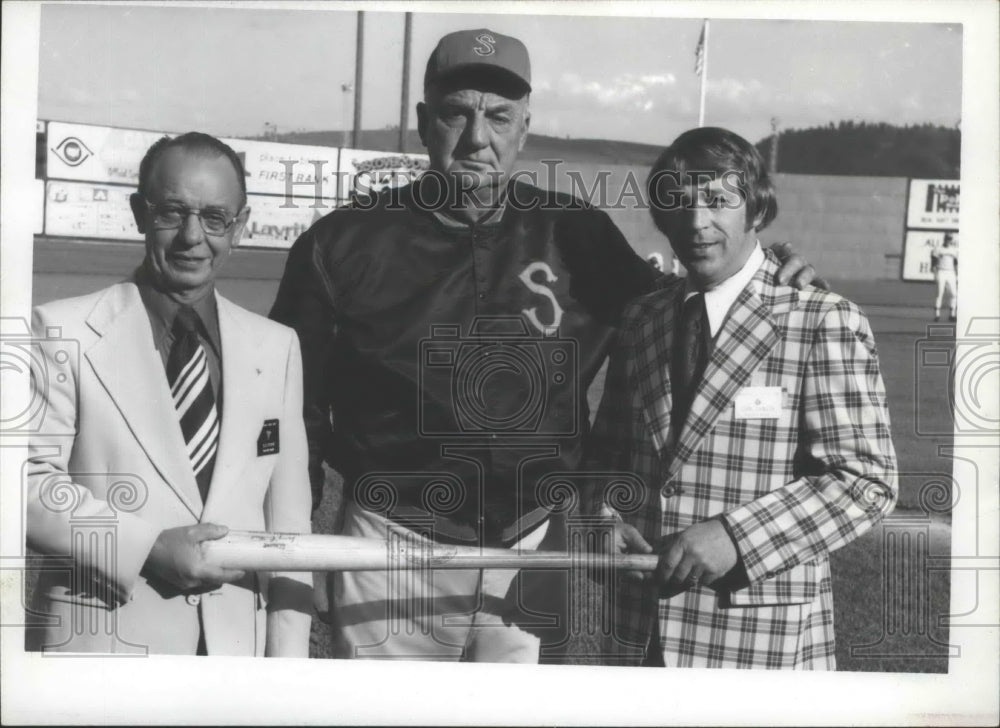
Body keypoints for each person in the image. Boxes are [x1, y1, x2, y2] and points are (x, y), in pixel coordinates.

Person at [270, 29, 817, 663]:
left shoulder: (578, 232)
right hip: (391, 548)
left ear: (525, 128)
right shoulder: (343, 242)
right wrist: (294, 549)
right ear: (424, 122)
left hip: (534, 546)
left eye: (499, 116)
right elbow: (293, 411)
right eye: (457, 113)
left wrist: (767, 269)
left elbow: (679, 309)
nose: (479, 137)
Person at [587, 126, 898, 668]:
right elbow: (606, 459)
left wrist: (736, 536)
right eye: (679, 204)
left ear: (754, 209)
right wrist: (601, 520)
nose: (696, 221)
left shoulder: (820, 317)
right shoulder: (642, 320)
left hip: (760, 636)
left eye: (717, 201)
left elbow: (866, 482)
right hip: (638, 632)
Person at [26, 132, 313, 656]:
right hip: (104, 650)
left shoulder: (277, 347)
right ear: (139, 213)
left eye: (214, 218)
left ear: (240, 226)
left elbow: (290, 531)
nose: (191, 237)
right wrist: (146, 549)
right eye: (172, 212)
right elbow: (23, 487)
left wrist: (285, 672)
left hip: (234, 656)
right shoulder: (60, 330)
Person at [931, 232, 958, 322]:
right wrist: (934, 270)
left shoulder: (954, 250)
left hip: (951, 272)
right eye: (947, 239)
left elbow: (955, 262)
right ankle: (937, 315)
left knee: (954, 294)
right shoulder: (938, 249)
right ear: (944, 239)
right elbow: (933, 259)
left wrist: (956, 272)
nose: (949, 241)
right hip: (941, 271)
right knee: (940, 293)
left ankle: (952, 314)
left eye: (950, 239)